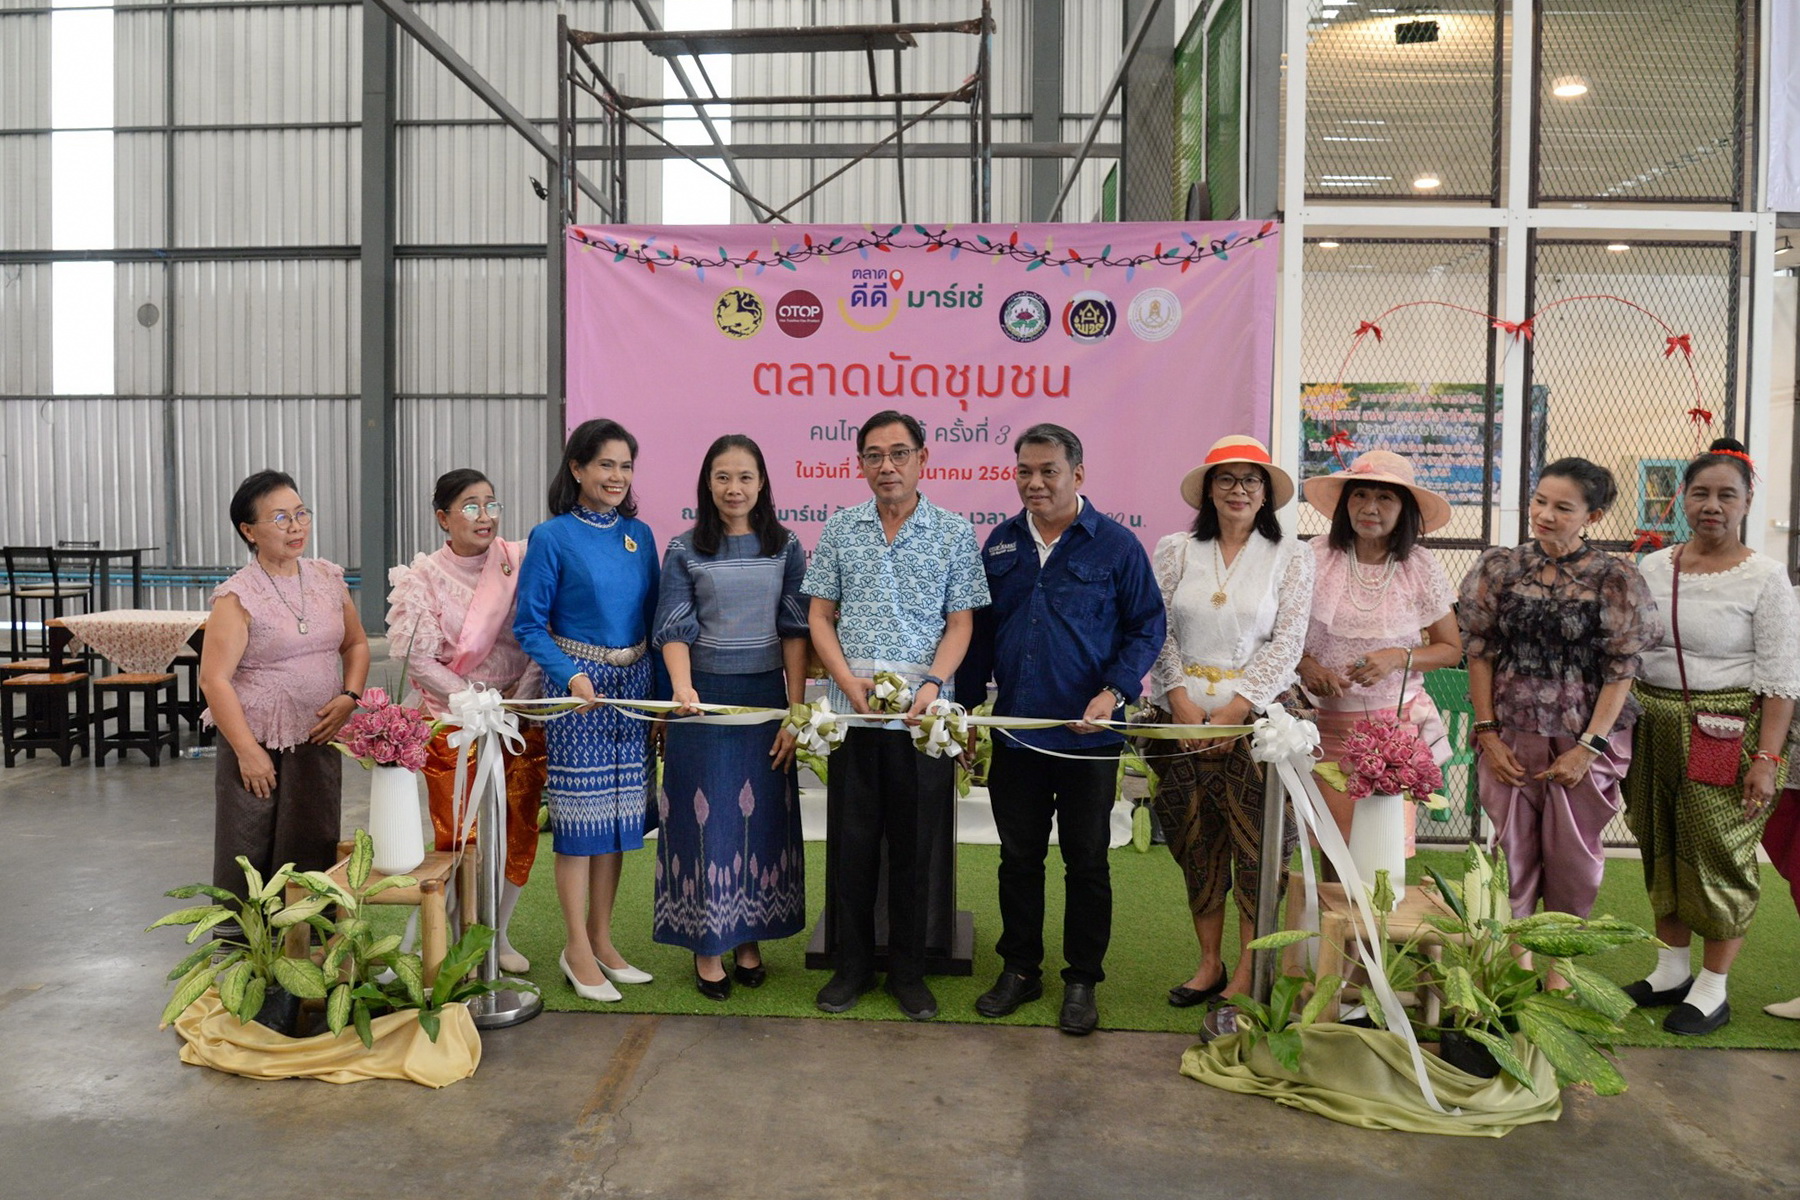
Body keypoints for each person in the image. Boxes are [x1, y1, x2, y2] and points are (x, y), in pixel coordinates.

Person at [954, 424, 1165, 1036]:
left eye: (1048, 470)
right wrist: (967, 712)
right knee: (1018, 859)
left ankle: (1081, 980)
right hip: (1017, 733)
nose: (1034, 482)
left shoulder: (1117, 547)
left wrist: (1114, 692)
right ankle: (1020, 969)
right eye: (1024, 470)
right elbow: (980, 637)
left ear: (1078, 474)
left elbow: (1147, 626)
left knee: (1086, 861)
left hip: (1088, 738)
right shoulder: (999, 545)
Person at [802, 409, 990, 1021]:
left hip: (923, 718)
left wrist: (933, 685)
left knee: (915, 847)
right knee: (853, 843)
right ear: (859, 463)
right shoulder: (840, 529)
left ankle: (909, 971)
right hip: (852, 713)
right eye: (875, 455)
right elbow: (820, 616)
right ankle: (852, 967)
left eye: (900, 453)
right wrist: (842, 681)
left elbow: (961, 622)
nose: (888, 466)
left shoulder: (954, 532)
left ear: (922, 458)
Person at [1619, 438, 1798, 1035]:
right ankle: (1671, 970)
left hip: (1727, 729)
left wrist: (1767, 757)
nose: (1712, 505)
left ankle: (1714, 988)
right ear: (1683, 500)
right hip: (1653, 724)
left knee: (1719, 853)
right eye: (1701, 493)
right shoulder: (1654, 566)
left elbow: (1780, 679)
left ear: (1747, 503)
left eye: (1727, 494)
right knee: (1659, 839)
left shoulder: (1767, 578)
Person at [1147, 435, 1312, 1031]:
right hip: (1180, 717)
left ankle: (1248, 968)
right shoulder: (1175, 549)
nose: (1238, 490)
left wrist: (1239, 708)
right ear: (1208, 489)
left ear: (1266, 492)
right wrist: (1182, 702)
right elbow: (1155, 629)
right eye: (1226, 479)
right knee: (1195, 840)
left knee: (1256, 845)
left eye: (1251, 481)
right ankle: (1209, 963)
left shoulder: (1292, 554)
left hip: (1258, 723)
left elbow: (1289, 640)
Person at [1459, 457, 1657, 925]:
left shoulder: (1615, 578)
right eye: (1539, 501)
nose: (1544, 514)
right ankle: (1517, 958)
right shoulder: (1501, 567)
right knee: (1512, 845)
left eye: (1562, 507)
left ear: (1593, 517)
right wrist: (1487, 732)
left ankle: (1560, 963)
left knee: (1574, 855)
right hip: (1509, 731)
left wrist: (1588, 749)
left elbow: (1621, 668)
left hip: (1583, 734)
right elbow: (1480, 651)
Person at [652, 435, 810, 1001]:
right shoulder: (684, 547)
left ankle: (750, 940)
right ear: (707, 483)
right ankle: (708, 947)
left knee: (760, 820)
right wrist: (683, 691)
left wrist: (794, 709)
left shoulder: (787, 545)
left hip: (766, 701)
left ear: (762, 482)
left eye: (745, 477)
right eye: (723, 477)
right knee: (707, 821)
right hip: (702, 701)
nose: (734, 488)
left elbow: (795, 630)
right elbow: (673, 627)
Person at [514, 419, 661, 1003]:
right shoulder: (550, 537)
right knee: (580, 827)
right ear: (577, 468)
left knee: (620, 823)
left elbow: (654, 615)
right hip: (580, 694)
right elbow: (529, 623)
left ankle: (602, 939)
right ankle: (575, 947)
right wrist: (571, 674)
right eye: (606, 465)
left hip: (634, 690)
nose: (617, 477)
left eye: (626, 466)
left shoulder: (641, 535)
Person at [384, 468, 547, 975]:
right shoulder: (423, 577)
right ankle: (454, 932)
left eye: (491, 504)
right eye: (471, 506)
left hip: (520, 718)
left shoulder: (519, 562)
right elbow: (419, 660)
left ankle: (499, 934)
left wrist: (519, 700)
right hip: (454, 723)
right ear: (443, 518)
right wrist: (474, 701)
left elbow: (543, 634)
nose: (485, 516)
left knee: (519, 828)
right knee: (459, 834)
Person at [201, 470, 369, 915]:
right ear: (248, 530)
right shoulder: (237, 596)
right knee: (249, 841)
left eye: (300, 514)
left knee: (313, 834)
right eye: (280, 518)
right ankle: (245, 952)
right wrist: (246, 751)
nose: (296, 527)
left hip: (319, 731)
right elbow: (213, 679)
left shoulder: (328, 578)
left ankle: (309, 942)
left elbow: (355, 644)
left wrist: (350, 697)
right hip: (256, 738)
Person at [1298, 449, 1462, 849]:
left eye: (1385, 498)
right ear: (1345, 503)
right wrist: (1306, 666)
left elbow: (1450, 649)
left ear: (1403, 508)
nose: (1370, 508)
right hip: (1321, 725)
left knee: (1382, 854)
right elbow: (1279, 636)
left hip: (1394, 733)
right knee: (1333, 854)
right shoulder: (1312, 556)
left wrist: (1397, 659)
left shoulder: (1420, 566)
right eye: (1360, 495)